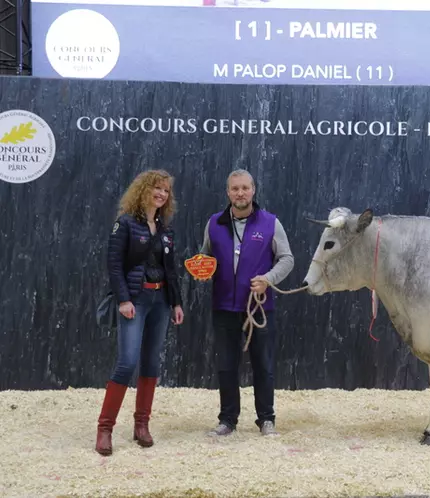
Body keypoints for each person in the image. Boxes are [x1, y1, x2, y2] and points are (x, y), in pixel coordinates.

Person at [96, 169, 185, 456]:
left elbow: (171, 271)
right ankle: (105, 429)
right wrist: (123, 299)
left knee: (151, 364)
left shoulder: (165, 230)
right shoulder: (124, 224)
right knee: (127, 362)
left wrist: (176, 303)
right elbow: (114, 265)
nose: (161, 194)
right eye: (156, 188)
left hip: (160, 300)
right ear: (142, 190)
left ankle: (141, 426)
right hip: (135, 300)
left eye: (165, 190)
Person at [199, 169, 294, 436]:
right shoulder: (213, 223)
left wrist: (267, 278)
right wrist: (203, 272)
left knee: (263, 364)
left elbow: (287, 259)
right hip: (224, 307)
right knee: (226, 365)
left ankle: (266, 418)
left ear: (253, 190)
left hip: (258, 308)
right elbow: (205, 257)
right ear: (228, 192)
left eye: (245, 188)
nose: (240, 193)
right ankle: (227, 420)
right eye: (234, 189)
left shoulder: (271, 223)